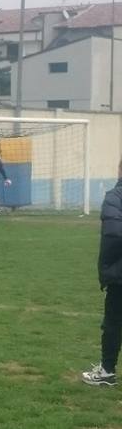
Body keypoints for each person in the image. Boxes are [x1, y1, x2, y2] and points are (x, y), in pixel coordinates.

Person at [83, 159, 122, 386]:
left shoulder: (114, 197)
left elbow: (115, 234)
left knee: (113, 322)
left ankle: (107, 371)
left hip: (119, 275)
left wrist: (106, 268)